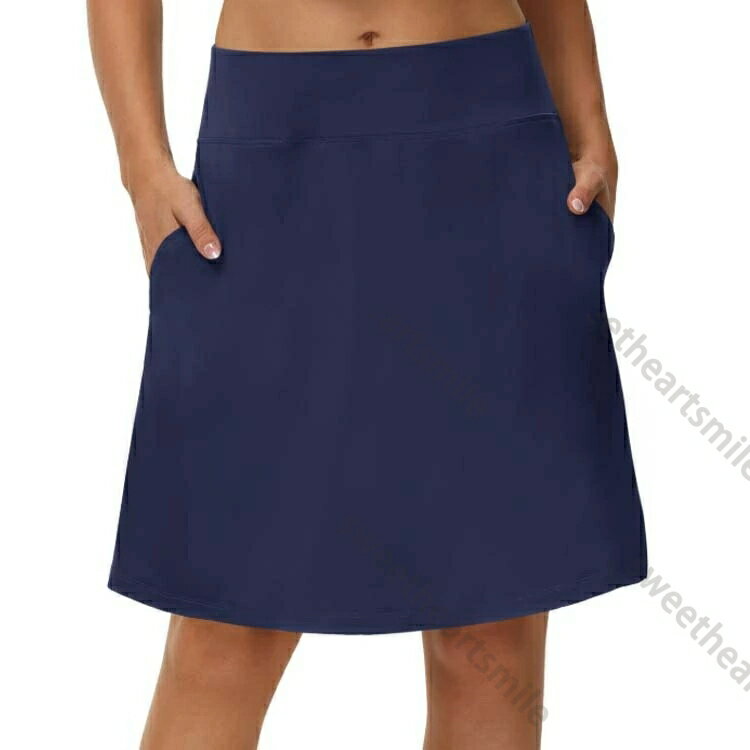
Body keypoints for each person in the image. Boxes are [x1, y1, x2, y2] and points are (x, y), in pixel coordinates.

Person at [89, 1, 647, 748]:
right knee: (226, 627)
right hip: (271, 153)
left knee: (491, 632)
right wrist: (141, 167)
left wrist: (589, 130)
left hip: (489, 138)